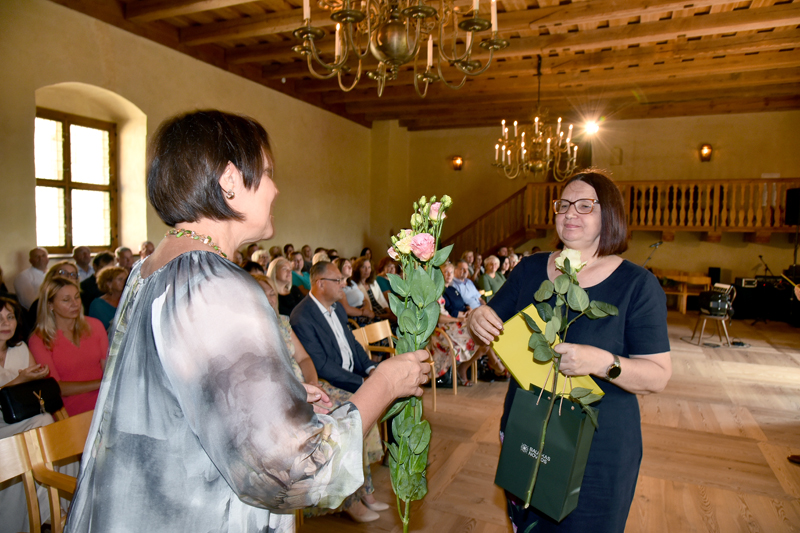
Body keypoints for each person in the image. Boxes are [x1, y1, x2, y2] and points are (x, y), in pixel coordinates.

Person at [62, 110, 430, 533]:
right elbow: (293, 472)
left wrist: (280, 398)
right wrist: (385, 384)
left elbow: (174, 403)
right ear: (230, 180)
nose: (275, 188)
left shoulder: (151, 269)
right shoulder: (216, 284)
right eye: (268, 172)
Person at [468, 169, 672, 533]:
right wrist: (477, 319)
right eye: (563, 205)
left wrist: (601, 362)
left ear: (609, 214)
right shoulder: (530, 269)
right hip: (527, 430)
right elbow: (494, 331)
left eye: (584, 205)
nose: (569, 213)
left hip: (598, 448)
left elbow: (657, 376)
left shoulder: (637, 285)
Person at [252, 274, 387, 523]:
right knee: (338, 421)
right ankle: (349, 500)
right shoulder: (250, 333)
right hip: (286, 397)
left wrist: (313, 383)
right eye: (263, 294)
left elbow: (304, 359)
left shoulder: (283, 323)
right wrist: (301, 393)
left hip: (307, 385)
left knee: (354, 407)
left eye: (272, 293)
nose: (271, 299)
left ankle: (365, 490)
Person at [0, 295, 59, 533]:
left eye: (10, 317)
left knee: (45, 422)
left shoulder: (20, 348)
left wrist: (37, 376)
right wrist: (19, 379)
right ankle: (50, 513)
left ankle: (45, 512)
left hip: (22, 418)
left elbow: (32, 390)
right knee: (44, 424)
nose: (5, 323)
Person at [291, 261, 380, 393]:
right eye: (338, 280)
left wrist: (370, 368)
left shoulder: (338, 308)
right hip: (336, 383)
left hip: (356, 373)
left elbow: (353, 343)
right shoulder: (302, 317)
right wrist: (361, 382)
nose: (343, 284)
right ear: (321, 284)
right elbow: (321, 364)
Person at [28, 277, 107, 416]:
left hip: (105, 397)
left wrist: (108, 384)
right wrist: (103, 383)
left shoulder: (95, 325)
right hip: (71, 407)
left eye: (77, 297)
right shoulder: (40, 339)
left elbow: (108, 368)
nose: (75, 304)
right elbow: (56, 388)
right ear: (50, 305)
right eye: (66, 300)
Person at [427, 263, 487, 386]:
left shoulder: (452, 289)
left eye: (451, 272)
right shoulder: (435, 291)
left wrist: (468, 309)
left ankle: (464, 367)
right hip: (443, 328)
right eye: (445, 272)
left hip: (454, 323)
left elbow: (462, 305)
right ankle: (464, 369)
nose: (449, 275)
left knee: (484, 334)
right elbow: (437, 318)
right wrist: (458, 319)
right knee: (481, 335)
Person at [24, 260, 80, 337]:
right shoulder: (38, 305)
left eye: (73, 274)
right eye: (63, 273)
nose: (68, 277)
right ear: (52, 276)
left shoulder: (81, 301)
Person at [335, 257, 375, 326]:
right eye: (346, 265)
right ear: (339, 268)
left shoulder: (352, 282)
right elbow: (346, 309)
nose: (350, 268)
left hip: (363, 312)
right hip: (354, 318)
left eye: (350, 265)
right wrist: (364, 313)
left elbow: (365, 300)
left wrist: (367, 308)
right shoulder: (337, 286)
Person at [88, 266, 128, 330]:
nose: (125, 282)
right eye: (120, 279)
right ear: (109, 283)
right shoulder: (98, 305)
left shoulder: (129, 300)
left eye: (126, 279)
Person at [352, 256, 391, 322]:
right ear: (357, 269)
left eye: (369, 267)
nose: (367, 270)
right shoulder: (354, 285)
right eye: (363, 267)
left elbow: (381, 299)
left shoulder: (373, 282)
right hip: (370, 316)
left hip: (382, 312)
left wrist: (389, 312)